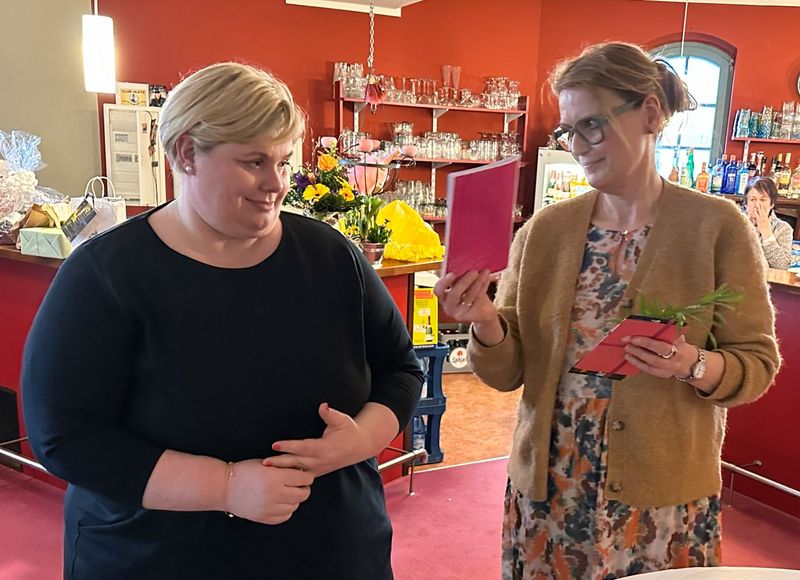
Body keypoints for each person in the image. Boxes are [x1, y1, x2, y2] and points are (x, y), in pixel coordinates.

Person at [22, 62, 423, 579]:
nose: (276, 184)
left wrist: (361, 440)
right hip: (155, 557)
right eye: (254, 161)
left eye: (284, 162)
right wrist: (227, 486)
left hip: (332, 551)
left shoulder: (331, 256)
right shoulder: (105, 275)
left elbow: (400, 370)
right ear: (187, 153)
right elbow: (67, 438)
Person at [434, 43, 780, 579]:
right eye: (567, 131)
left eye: (591, 126)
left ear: (650, 113)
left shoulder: (717, 228)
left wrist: (692, 364)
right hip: (550, 494)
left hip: (660, 502)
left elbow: (755, 364)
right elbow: (507, 373)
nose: (577, 146)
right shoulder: (543, 232)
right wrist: (483, 320)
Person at [744, 176, 794, 269]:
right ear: (746, 203)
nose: (757, 205)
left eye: (763, 200)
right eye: (752, 199)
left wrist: (766, 233)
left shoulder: (783, 228)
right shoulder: (735, 223)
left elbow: (783, 265)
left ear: (772, 204)